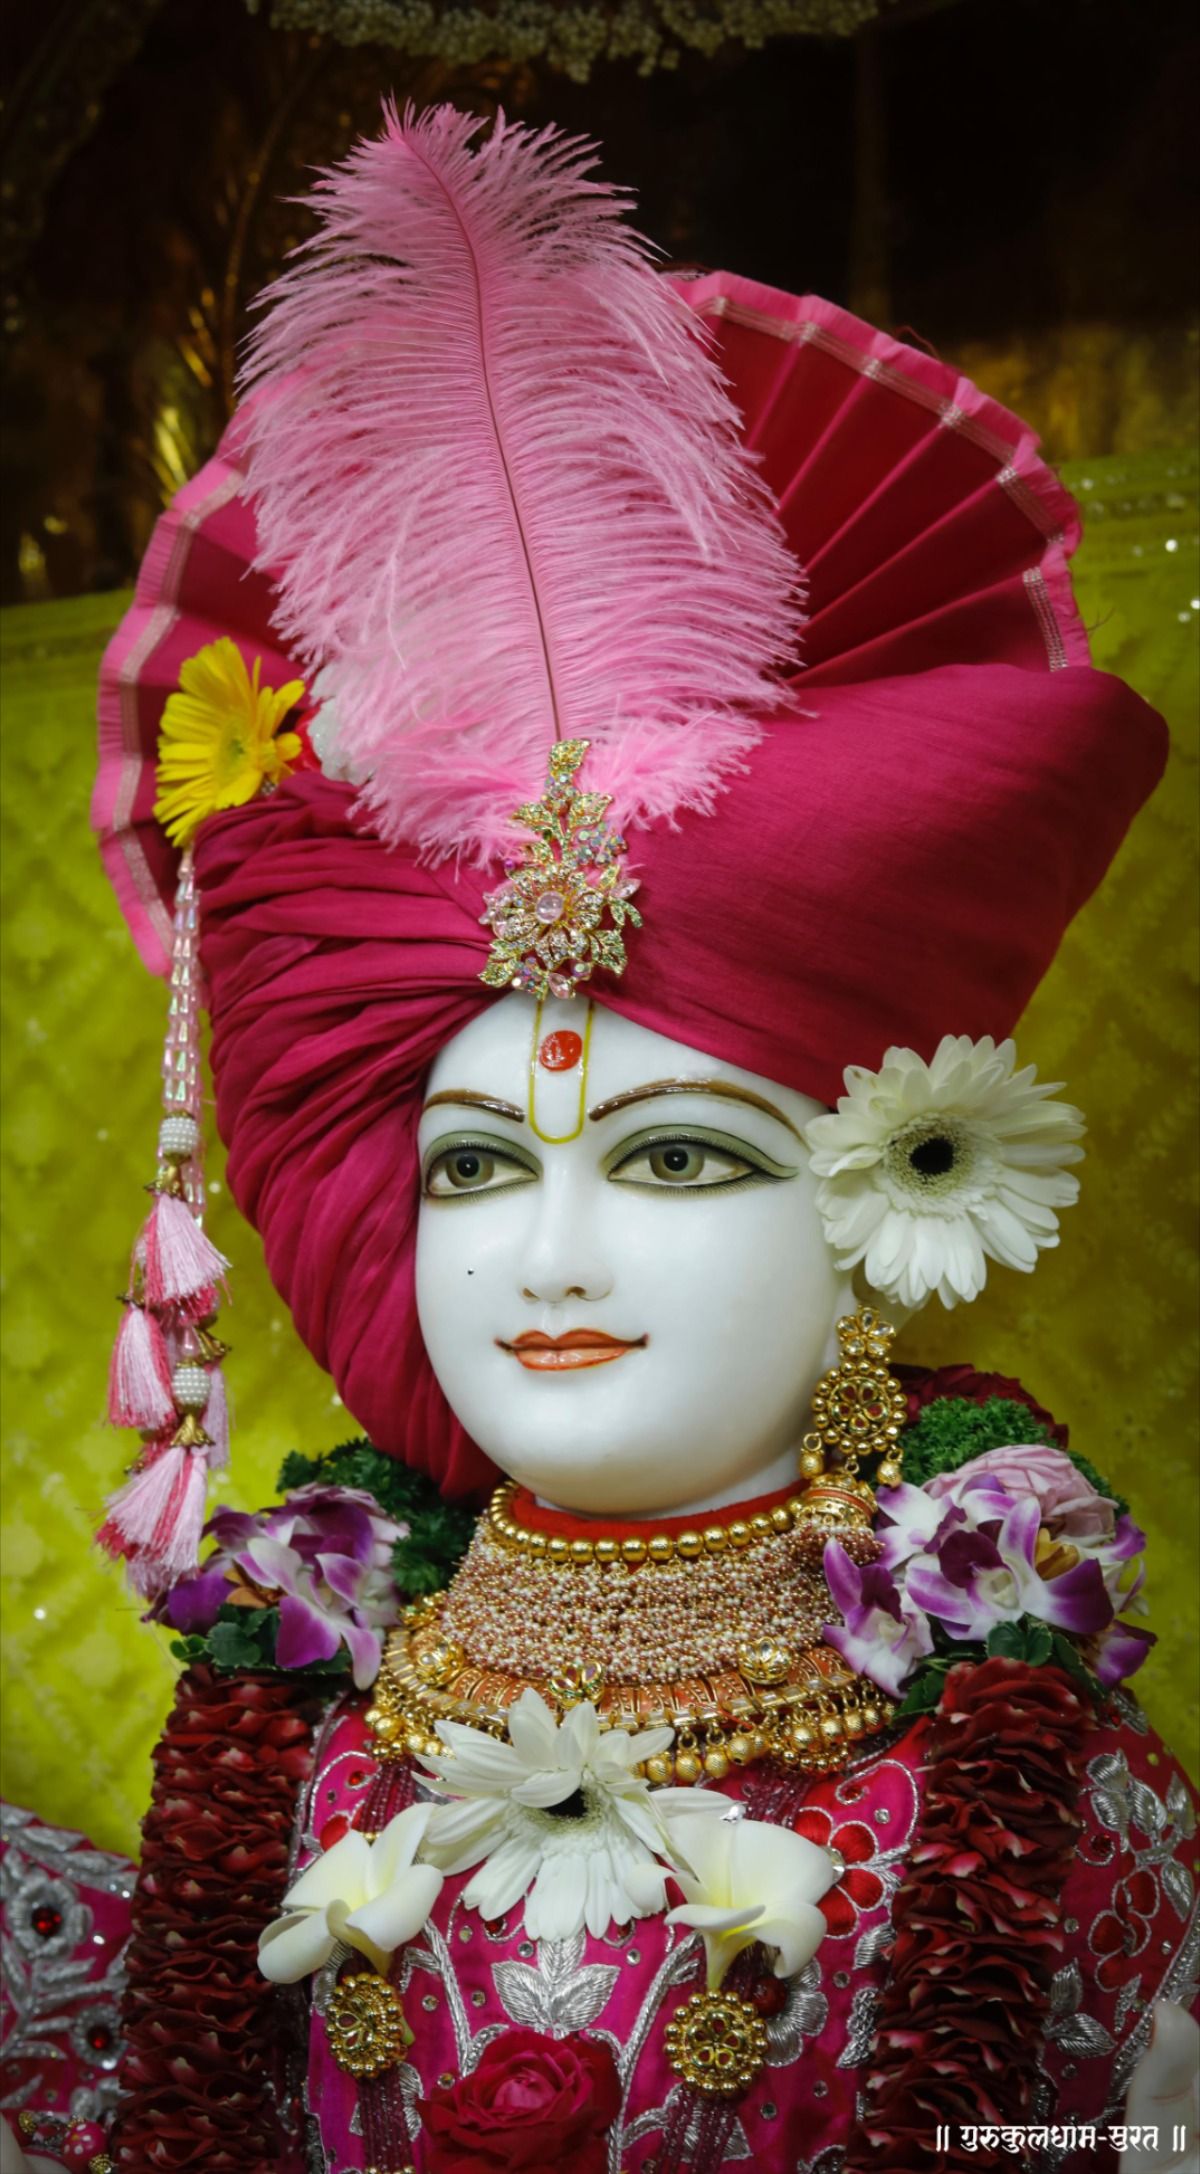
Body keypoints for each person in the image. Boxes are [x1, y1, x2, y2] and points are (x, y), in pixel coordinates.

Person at [11, 100, 1197, 2174]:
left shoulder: (1028, 1766)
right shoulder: (304, 1715)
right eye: (474, 1166)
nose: (546, 1254)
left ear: (888, 1188)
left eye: (672, 1157)